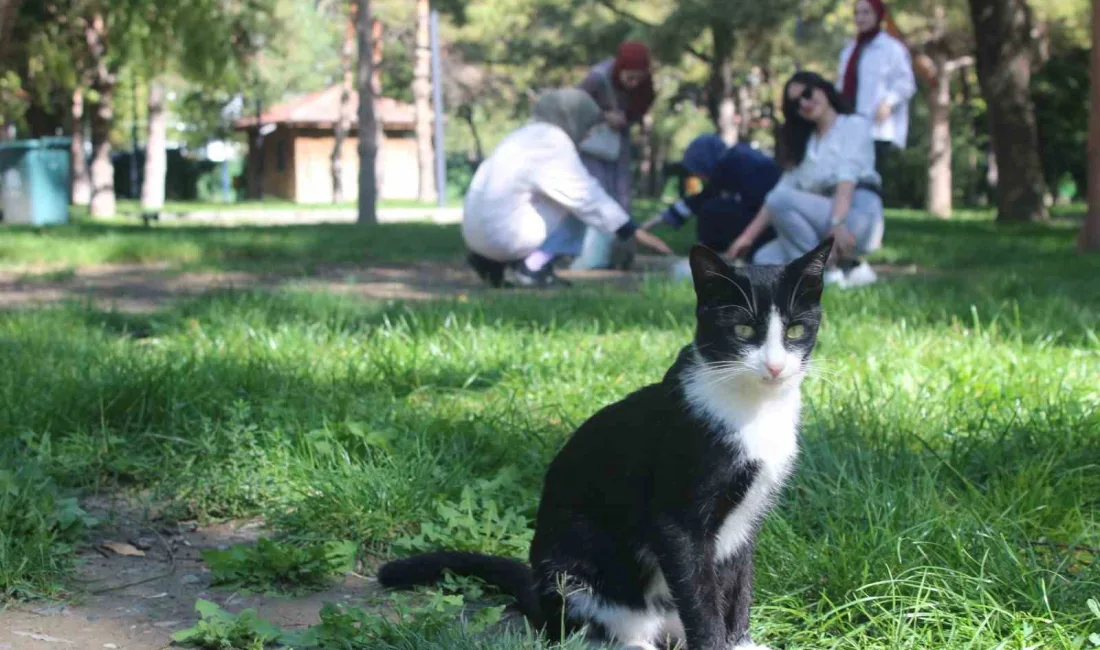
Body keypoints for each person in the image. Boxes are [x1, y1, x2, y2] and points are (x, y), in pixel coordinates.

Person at [462, 89, 672, 289]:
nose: (589, 134)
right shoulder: (552, 143)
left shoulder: (524, 135)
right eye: (589, 127)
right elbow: (587, 197)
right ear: (572, 119)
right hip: (501, 237)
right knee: (576, 205)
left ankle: (492, 262)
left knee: (548, 196)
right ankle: (533, 266)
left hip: (476, 237)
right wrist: (631, 231)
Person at [728, 71, 884, 288]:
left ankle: (822, 273)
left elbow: (847, 178)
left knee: (781, 201)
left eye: (807, 93)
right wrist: (746, 238)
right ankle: (850, 269)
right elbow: (778, 194)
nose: (804, 103)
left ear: (823, 89)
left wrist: (837, 224)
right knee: (763, 259)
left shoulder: (853, 125)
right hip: (823, 219)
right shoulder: (805, 144)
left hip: (856, 217)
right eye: (796, 104)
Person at [569, 41, 657, 270]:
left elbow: (641, 107)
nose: (634, 83)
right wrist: (604, 116)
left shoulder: (645, 84)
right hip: (593, 145)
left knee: (622, 199)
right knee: (596, 196)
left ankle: (621, 256)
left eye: (639, 78)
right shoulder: (598, 77)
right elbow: (575, 105)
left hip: (619, 146)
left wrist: (628, 117)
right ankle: (589, 257)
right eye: (630, 77)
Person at [640, 134, 780, 259]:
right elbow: (695, 202)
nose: (696, 175)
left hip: (769, 224)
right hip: (766, 217)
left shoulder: (738, 165)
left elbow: (703, 201)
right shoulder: (730, 162)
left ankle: (711, 254)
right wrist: (645, 227)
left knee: (710, 211)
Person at [837, 0, 916, 181]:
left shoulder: (892, 49)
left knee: (871, 181)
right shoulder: (849, 50)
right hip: (848, 125)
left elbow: (906, 83)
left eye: (866, 13)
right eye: (857, 13)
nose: (860, 18)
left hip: (877, 128)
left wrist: (888, 102)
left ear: (878, 16)